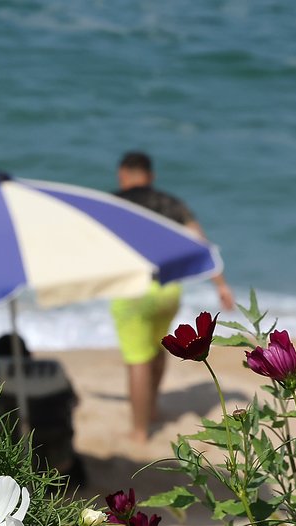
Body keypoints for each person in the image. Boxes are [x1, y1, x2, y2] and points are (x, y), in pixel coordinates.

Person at [110, 151, 235, 443]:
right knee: (158, 347)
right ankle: (151, 409)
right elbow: (201, 245)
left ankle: (140, 431)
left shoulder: (113, 205)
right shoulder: (171, 204)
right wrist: (222, 285)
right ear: (150, 176)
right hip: (168, 290)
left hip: (132, 291)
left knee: (137, 359)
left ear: (122, 175)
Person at [0, 334, 86, 490]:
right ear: (28, 354)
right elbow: (75, 401)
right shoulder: (54, 377)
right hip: (62, 464)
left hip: (18, 468)